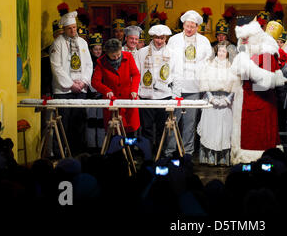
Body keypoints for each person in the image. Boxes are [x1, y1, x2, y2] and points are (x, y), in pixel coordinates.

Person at [230, 18, 287, 164]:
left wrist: (246, 67)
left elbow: (265, 83)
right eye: (241, 40)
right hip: (247, 102)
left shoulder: (266, 53)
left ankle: (261, 163)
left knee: (258, 142)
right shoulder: (247, 54)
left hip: (260, 104)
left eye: (246, 39)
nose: (243, 43)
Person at [166, 10, 213, 157]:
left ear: (197, 27)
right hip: (176, 86)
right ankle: (170, 151)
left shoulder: (204, 41)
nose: (189, 29)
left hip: (194, 86)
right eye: (187, 26)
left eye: (192, 26)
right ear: (183, 25)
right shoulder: (173, 40)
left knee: (190, 122)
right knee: (173, 121)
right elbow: (167, 61)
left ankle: (188, 152)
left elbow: (208, 62)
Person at [50, 10, 93, 156]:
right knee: (63, 124)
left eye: (74, 27)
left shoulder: (83, 43)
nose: (73, 30)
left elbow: (88, 64)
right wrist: (70, 84)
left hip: (80, 90)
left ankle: (78, 153)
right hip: (63, 91)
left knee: (79, 123)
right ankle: (59, 154)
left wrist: (83, 82)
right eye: (70, 28)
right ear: (64, 29)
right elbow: (57, 67)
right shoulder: (57, 44)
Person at [134, 24, 181, 154]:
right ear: (152, 37)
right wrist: (137, 92)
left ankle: (160, 155)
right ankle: (147, 155)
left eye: (162, 38)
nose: (159, 41)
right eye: (157, 38)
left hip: (164, 95)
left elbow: (177, 75)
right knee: (147, 128)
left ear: (165, 38)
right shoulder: (141, 52)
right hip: (145, 95)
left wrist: (175, 95)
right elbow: (137, 73)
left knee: (162, 128)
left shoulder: (172, 54)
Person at [197, 45, 239, 166]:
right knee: (210, 129)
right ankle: (208, 158)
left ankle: (222, 159)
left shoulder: (232, 67)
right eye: (220, 50)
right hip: (212, 100)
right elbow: (204, 81)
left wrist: (228, 99)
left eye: (224, 51)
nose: (221, 53)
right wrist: (211, 97)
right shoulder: (209, 65)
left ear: (227, 53)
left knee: (224, 130)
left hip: (226, 102)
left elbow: (236, 83)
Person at [91, 38, 141, 136]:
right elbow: (95, 82)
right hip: (112, 101)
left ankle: (130, 151)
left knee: (130, 131)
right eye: (113, 56)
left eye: (118, 54)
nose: (117, 57)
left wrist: (134, 90)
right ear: (107, 54)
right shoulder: (101, 62)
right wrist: (106, 90)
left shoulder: (128, 56)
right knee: (114, 133)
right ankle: (116, 151)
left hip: (128, 100)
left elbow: (136, 74)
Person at [85, 33, 105, 153]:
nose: (97, 52)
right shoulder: (88, 61)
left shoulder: (104, 61)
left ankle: (102, 145)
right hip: (90, 96)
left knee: (101, 122)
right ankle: (91, 146)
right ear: (91, 50)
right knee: (91, 121)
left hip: (101, 95)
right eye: (95, 49)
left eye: (99, 49)